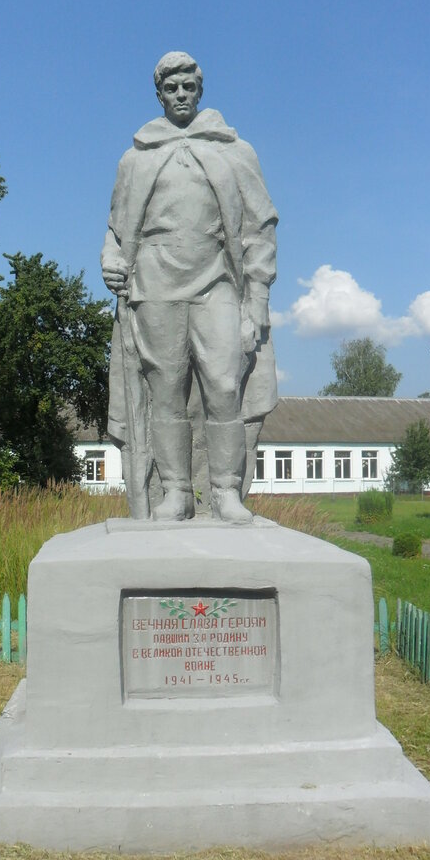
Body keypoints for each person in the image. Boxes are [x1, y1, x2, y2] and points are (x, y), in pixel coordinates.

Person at [101, 51, 278, 522]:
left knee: (224, 385)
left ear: (200, 91)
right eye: (171, 88)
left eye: (188, 87)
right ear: (158, 94)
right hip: (154, 284)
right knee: (166, 390)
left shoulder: (233, 150)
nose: (180, 95)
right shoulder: (135, 158)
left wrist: (257, 296)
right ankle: (176, 491)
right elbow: (117, 230)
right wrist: (110, 259)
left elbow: (260, 227)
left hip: (217, 280)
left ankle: (224, 491)